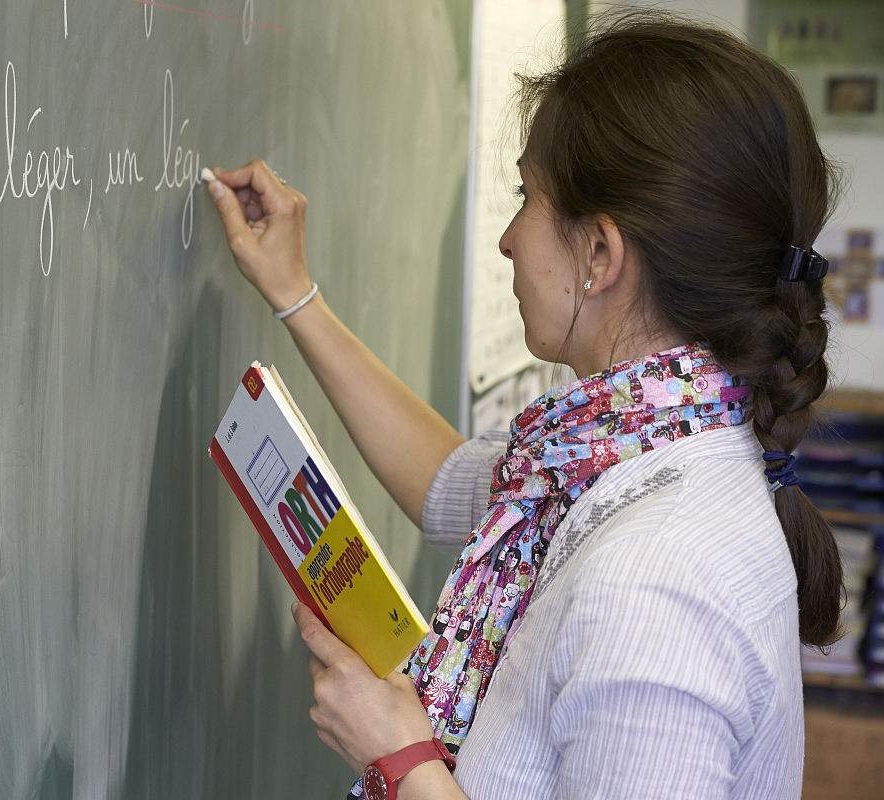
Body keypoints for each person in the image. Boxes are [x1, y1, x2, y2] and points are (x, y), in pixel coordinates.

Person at [204, 11, 843, 800]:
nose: (509, 238)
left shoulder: (655, 585)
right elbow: (446, 483)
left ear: (600, 253)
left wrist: (400, 757)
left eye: (526, 197)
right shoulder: (629, 449)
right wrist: (296, 294)